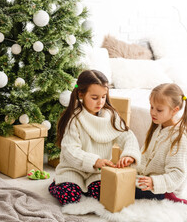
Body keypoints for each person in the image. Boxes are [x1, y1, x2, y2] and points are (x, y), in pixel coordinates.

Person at [48, 70, 141, 205]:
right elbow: (70, 151)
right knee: (70, 198)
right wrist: (95, 161)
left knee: (106, 195)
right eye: (94, 97)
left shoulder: (111, 116)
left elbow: (128, 136)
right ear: (81, 94)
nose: (100, 102)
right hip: (74, 170)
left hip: (98, 173)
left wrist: (129, 155)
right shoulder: (74, 119)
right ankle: (55, 184)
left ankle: (87, 188)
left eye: (103, 97)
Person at [136, 83, 187, 204]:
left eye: (159, 110)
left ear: (174, 110)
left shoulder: (179, 138)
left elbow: (177, 173)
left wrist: (154, 183)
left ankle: (172, 198)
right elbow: (145, 156)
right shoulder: (159, 128)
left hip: (164, 189)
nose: (153, 112)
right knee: (114, 180)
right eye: (151, 107)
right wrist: (134, 167)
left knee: (112, 188)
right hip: (150, 182)